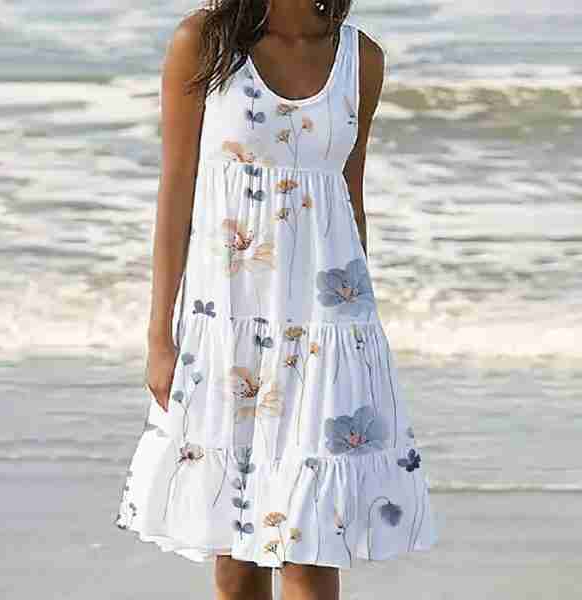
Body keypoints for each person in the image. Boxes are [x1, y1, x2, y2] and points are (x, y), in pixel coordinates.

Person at [114, 2, 438, 599]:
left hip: (326, 329)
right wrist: (160, 335)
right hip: (228, 317)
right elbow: (176, 192)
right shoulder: (205, 42)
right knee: (237, 562)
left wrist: (357, 344)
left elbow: (349, 199)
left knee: (311, 548)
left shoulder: (359, 58)